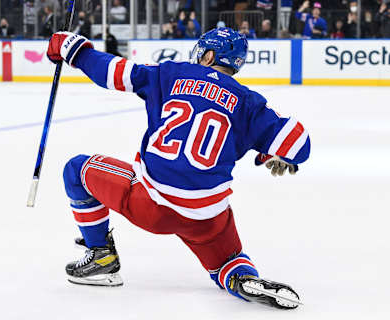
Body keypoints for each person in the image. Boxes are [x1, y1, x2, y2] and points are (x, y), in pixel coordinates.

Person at [46, 28, 310, 308]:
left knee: (76, 170)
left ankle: (101, 255)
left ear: (208, 56)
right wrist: (273, 153)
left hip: (151, 205)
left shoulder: (171, 73)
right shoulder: (249, 102)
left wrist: (73, 48)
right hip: (207, 218)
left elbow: (112, 71)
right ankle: (240, 276)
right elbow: (299, 146)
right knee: (227, 261)